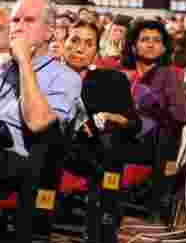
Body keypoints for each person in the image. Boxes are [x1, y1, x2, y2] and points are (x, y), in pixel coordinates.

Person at [0, 0, 83, 203]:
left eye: (28, 20)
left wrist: (24, 62)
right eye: (15, 20)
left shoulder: (66, 77)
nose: (18, 27)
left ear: (49, 32)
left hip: (20, 161)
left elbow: (39, 123)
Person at [59, 21, 140, 179]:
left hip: (94, 151)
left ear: (96, 52)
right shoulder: (45, 75)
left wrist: (111, 117)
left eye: (89, 44)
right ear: (63, 43)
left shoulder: (111, 80)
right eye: (74, 40)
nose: (80, 49)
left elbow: (134, 123)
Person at [119, 20, 186, 163]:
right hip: (121, 154)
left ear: (164, 48)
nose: (151, 45)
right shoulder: (124, 78)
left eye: (157, 40)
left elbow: (181, 117)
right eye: (144, 39)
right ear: (133, 46)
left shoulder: (172, 76)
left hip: (156, 159)